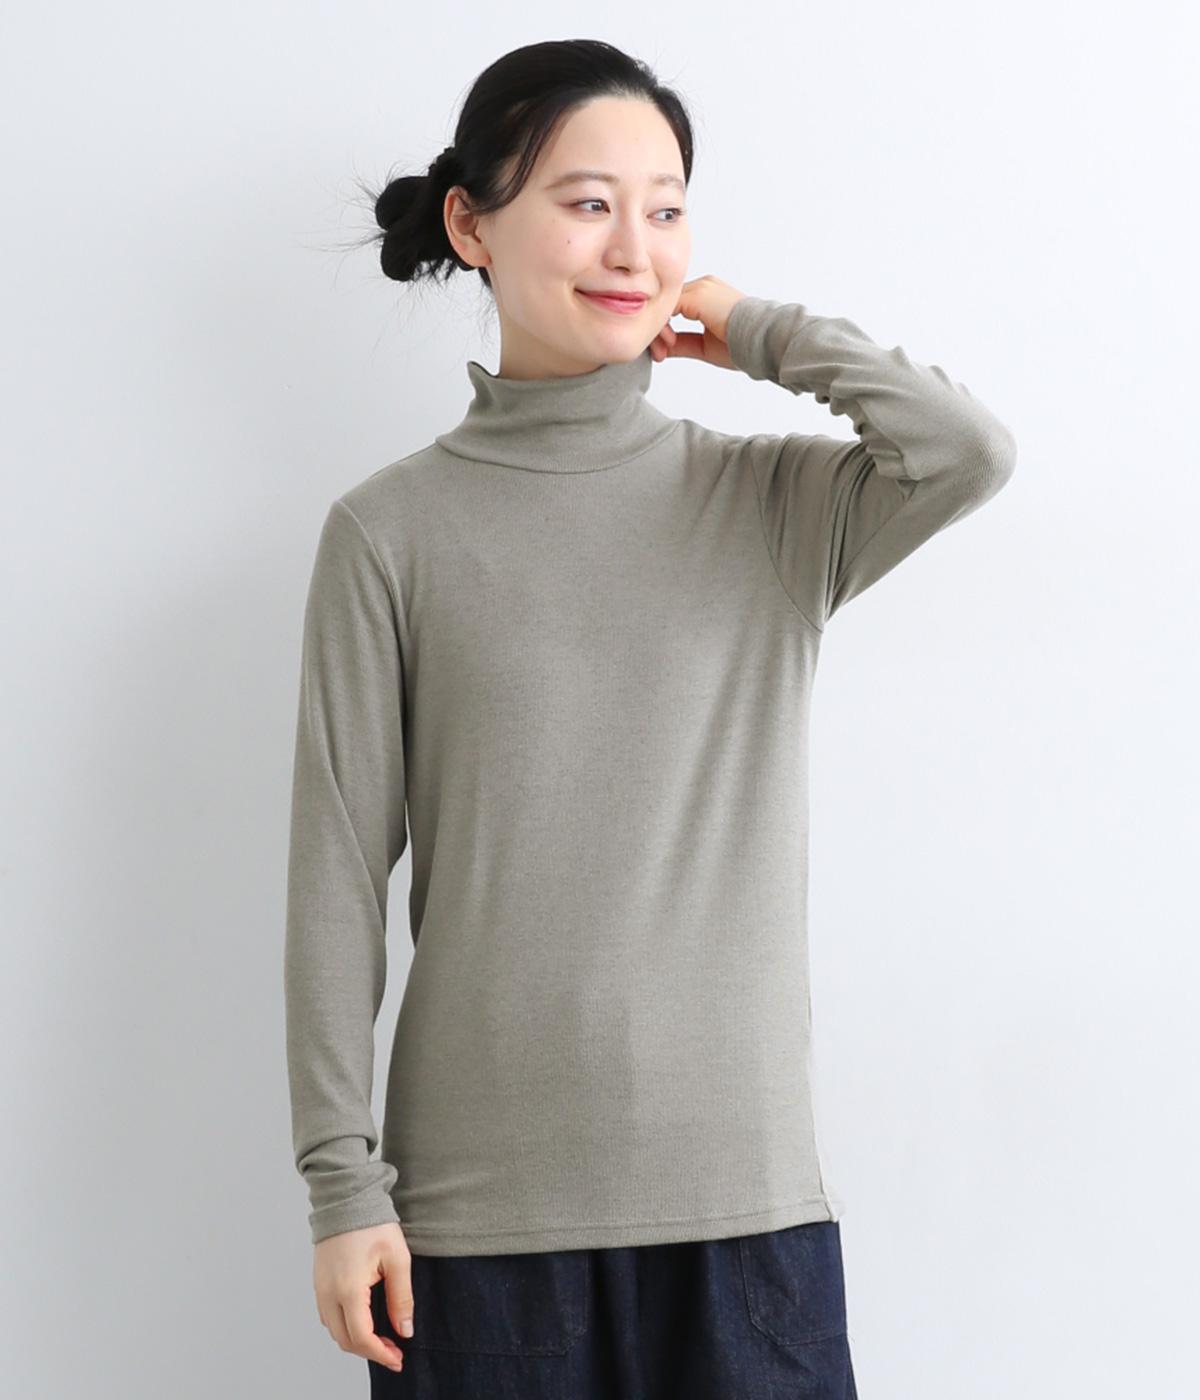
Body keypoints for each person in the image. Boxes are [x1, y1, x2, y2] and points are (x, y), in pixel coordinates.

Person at [283, 37, 1017, 1399]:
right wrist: (342, 1186)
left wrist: (754, 328)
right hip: (474, 1232)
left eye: (666, 209)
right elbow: (335, 878)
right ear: (472, 225)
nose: (635, 247)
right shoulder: (389, 535)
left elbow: (968, 451)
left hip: (746, 1222)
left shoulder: (771, 506)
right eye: (587, 202)